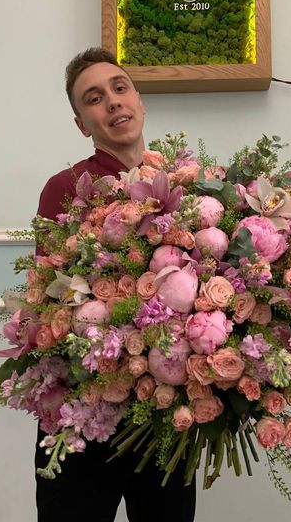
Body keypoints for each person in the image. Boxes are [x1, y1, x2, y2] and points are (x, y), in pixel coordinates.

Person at [35, 47, 197, 522]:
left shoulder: (184, 183)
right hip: (86, 407)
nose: (112, 101)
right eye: (94, 98)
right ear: (82, 125)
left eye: (120, 88)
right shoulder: (66, 187)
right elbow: (52, 293)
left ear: (139, 101)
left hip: (165, 409)